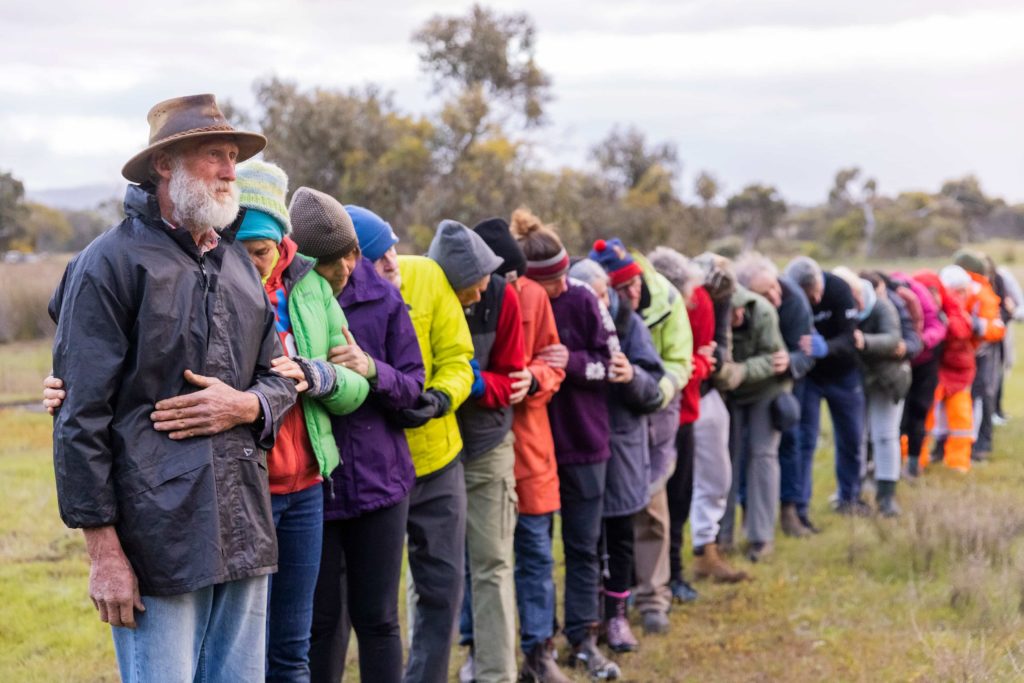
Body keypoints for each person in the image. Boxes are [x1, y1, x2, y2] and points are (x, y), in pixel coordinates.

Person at [47, 94, 297, 681]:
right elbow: (79, 416)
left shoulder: (238, 265)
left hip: (245, 529)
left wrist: (248, 404)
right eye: (215, 155)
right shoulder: (109, 264)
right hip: (157, 541)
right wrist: (104, 551)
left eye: (233, 157)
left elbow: (280, 378)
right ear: (166, 165)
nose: (231, 171)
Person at [236, 166, 371, 681]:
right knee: (246, 644)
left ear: (281, 241)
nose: (253, 264)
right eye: (240, 249)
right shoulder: (220, 290)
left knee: (293, 647)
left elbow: (357, 384)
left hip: (307, 489)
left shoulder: (311, 289)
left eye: (262, 251)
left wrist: (320, 376)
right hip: (250, 490)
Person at [302, 203, 425, 683]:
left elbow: (414, 387)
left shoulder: (386, 301)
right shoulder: (295, 300)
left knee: (378, 619)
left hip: (382, 487)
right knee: (322, 624)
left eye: (353, 255)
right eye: (335, 258)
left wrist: (372, 369)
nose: (347, 268)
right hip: (319, 489)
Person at [512, 209, 621, 680]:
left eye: (563, 276)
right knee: (534, 550)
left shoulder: (582, 299)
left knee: (583, 546)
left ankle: (584, 637)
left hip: (585, 442)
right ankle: (540, 643)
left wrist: (571, 362)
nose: (560, 286)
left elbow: (609, 363)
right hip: (533, 446)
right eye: (551, 279)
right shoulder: (520, 299)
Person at [429, 220, 527, 683]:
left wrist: (472, 383)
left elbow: (513, 379)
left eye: (489, 273)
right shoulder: (423, 294)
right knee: (430, 571)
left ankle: (496, 674)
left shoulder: (502, 297)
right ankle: (425, 671)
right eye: (477, 278)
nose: (486, 283)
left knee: (492, 564)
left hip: (487, 446)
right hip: (431, 452)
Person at [478, 216, 570, 682]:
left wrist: (533, 378)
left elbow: (554, 363)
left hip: (530, 448)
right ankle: (478, 649)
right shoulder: (468, 295)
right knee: (481, 556)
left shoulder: (533, 295)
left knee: (534, 552)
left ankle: (539, 652)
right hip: (479, 446)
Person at [593, 239, 693, 635]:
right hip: (610, 420)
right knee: (610, 514)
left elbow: (678, 360)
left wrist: (655, 393)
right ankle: (617, 594)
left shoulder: (666, 300)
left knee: (651, 504)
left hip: (658, 405)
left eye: (634, 283)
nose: (632, 292)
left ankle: (654, 597)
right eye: (622, 287)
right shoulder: (595, 305)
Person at [570, 258, 663, 653]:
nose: (601, 301)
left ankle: (618, 617)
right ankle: (587, 618)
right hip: (582, 446)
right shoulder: (568, 323)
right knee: (584, 540)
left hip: (623, 447)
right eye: (593, 294)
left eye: (605, 293)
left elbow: (655, 389)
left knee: (621, 536)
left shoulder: (631, 325)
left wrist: (633, 377)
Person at [398, 236, 476, 683]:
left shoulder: (427, 276)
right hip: (377, 469)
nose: (388, 261)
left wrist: (441, 398)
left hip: (440, 460)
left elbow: (459, 359)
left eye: (392, 251)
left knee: (442, 589)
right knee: (369, 602)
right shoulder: (327, 284)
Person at [735, 252, 816, 538]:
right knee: (743, 449)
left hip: (785, 382)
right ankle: (747, 512)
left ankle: (790, 510)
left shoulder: (794, 301)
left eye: (775, 287)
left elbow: (809, 351)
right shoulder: (737, 307)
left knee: (789, 441)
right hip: (743, 385)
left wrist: (791, 361)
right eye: (765, 293)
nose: (775, 296)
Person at [784, 256, 866, 519]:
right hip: (809, 378)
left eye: (817, 292)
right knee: (804, 440)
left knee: (851, 437)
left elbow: (849, 337)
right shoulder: (791, 298)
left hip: (844, 373)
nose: (816, 300)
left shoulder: (839, 288)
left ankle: (850, 497)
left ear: (821, 281)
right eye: (810, 297)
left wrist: (826, 348)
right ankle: (800, 507)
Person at [718, 282, 791, 561]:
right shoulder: (714, 316)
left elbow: (775, 359)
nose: (734, 318)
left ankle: (761, 538)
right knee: (727, 462)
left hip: (765, 392)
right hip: (730, 396)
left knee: (763, 457)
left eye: (736, 313)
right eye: (728, 314)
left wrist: (742, 370)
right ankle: (721, 537)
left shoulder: (763, 313)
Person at [851, 272, 911, 516]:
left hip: (888, 380)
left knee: (885, 435)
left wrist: (863, 341)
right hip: (857, 381)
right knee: (857, 435)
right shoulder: (844, 307)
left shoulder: (884, 307)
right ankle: (852, 490)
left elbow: (893, 339)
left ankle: (886, 495)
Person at [918, 266, 977, 472]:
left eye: (964, 291)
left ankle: (958, 462)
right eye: (957, 291)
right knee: (925, 416)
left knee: (961, 419)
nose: (961, 296)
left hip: (958, 373)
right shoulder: (927, 309)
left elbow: (962, 336)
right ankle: (916, 458)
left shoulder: (956, 311)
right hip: (933, 373)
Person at [892, 270, 947, 478]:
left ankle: (914, 464)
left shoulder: (919, 295)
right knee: (897, 415)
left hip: (924, 361)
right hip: (896, 362)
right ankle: (893, 464)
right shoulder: (886, 297)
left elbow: (936, 325)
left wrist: (920, 342)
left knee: (919, 409)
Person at [953, 250, 1006, 461]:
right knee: (975, 398)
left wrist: (971, 325)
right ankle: (973, 444)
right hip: (969, 353)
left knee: (981, 396)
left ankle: (980, 445)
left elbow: (995, 327)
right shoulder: (979, 289)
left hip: (980, 353)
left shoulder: (979, 292)